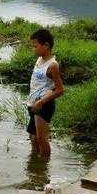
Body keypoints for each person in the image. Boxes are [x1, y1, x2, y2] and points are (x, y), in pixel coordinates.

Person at [26, 29, 64, 158]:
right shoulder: (39, 60)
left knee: (42, 139)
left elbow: (60, 90)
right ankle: (34, 165)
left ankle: (43, 169)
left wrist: (41, 102)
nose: (33, 49)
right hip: (33, 103)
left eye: (35, 46)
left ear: (46, 46)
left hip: (43, 105)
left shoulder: (52, 65)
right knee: (33, 137)